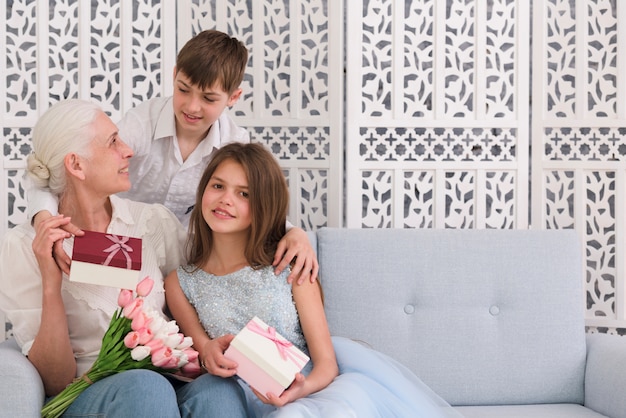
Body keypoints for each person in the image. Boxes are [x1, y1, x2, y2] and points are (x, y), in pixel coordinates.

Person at [164, 142, 462, 417]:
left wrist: (299, 391)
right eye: (218, 186)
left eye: (244, 194)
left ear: (263, 206)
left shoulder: (291, 267)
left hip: (306, 392)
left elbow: (326, 365)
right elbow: (204, 349)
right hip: (232, 399)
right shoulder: (180, 283)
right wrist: (209, 356)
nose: (226, 200)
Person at [0, 99, 249, 417]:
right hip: (91, 393)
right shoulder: (23, 246)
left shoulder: (151, 223)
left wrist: (289, 233)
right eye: (112, 142)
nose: (128, 150)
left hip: (168, 377)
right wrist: (52, 282)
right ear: (77, 166)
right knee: (146, 386)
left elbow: (202, 285)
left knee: (220, 391)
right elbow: (55, 381)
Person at [28, 29, 318, 284]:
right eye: (183, 90)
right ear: (174, 74)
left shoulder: (235, 143)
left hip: (187, 255)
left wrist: (294, 232)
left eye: (208, 98)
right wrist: (44, 217)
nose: (192, 106)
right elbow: (56, 171)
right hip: (119, 240)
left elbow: (255, 205)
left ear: (233, 98)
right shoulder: (142, 123)